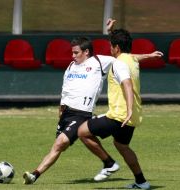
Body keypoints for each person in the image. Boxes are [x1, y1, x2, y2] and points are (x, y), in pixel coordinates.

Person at [23, 36, 163, 185]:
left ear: (86, 52)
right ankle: (34, 175)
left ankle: (35, 175)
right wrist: (61, 111)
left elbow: (124, 57)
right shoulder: (71, 66)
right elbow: (65, 91)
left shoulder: (99, 62)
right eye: (72, 53)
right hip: (66, 114)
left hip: (81, 114)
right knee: (59, 146)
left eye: (76, 52)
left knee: (60, 143)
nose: (73, 56)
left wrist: (147, 56)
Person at [77, 19, 161, 189]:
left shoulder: (118, 63)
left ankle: (109, 163)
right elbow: (132, 54)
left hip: (120, 115)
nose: (110, 48)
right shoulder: (131, 59)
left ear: (116, 48)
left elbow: (127, 85)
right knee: (121, 145)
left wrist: (128, 109)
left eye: (111, 46)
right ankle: (141, 182)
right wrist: (150, 55)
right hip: (133, 115)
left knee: (82, 132)